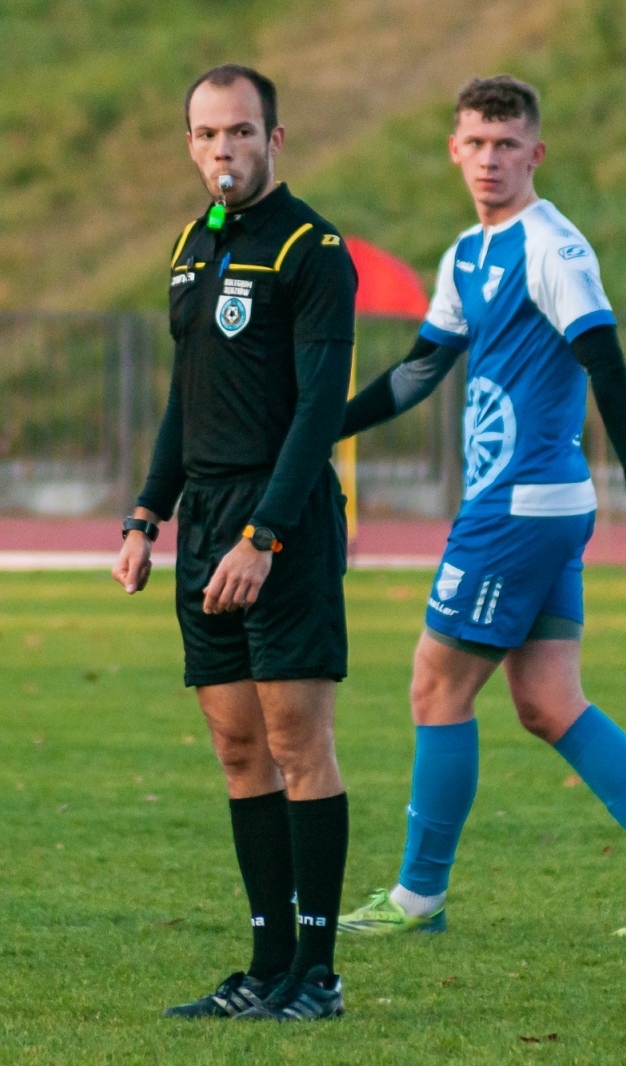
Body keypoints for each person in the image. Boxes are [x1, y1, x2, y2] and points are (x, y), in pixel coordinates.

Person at [335, 75, 626, 938]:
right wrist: (328, 421)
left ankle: (417, 898)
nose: (489, 161)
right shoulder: (465, 255)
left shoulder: (552, 246)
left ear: (535, 154)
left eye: (506, 145)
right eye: (475, 143)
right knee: (548, 700)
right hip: (529, 505)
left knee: (436, 687)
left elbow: (606, 362)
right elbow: (419, 371)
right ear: (453, 149)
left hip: (518, 507)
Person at [112, 63, 356, 1021]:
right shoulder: (190, 245)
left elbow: (318, 412)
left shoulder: (311, 248)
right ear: (191, 145)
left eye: (243, 133)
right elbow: (189, 397)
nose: (225, 150)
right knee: (235, 747)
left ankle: (320, 974)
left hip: (278, 521)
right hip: (205, 518)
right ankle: (265, 966)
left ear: (275, 141)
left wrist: (264, 535)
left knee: (299, 742)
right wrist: (146, 514)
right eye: (209, 135)